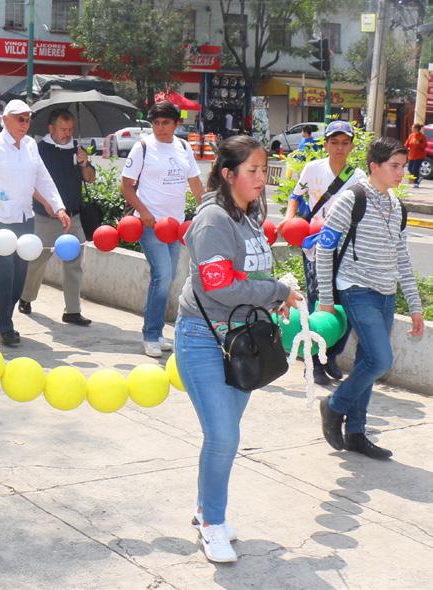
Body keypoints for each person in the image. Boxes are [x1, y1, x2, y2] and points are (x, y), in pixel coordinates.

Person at [176, 135, 302, 563]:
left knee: (224, 437)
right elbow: (220, 286)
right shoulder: (214, 220)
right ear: (228, 174)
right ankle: (213, 523)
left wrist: (273, 297)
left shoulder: (249, 214)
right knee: (224, 435)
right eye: (253, 170)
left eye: (264, 170)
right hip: (203, 339)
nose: (261, 178)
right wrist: (276, 290)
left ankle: (204, 510)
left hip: (243, 341)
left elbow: (251, 273)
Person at [316, 137, 424, 460]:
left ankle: (356, 432)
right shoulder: (352, 198)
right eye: (395, 166)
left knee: (368, 360)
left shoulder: (397, 207)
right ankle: (334, 405)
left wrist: (415, 306)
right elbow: (324, 247)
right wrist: (325, 299)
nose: (401, 173)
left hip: (386, 295)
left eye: (404, 166)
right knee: (380, 360)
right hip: (356, 289)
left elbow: (403, 259)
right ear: (374, 166)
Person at [0, 99, 71, 346]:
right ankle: (5, 325)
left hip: (24, 219)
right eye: (20, 119)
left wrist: (58, 207)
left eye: (28, 119)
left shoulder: (31, 146)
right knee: (5, 274)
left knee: (19, 277)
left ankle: (1, 318)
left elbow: (43, 178)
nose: (25, 124)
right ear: (5, 120)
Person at [280, 120, 366, 385]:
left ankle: (331, 355)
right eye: (334, 142)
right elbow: (296, 196)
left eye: (345, 143)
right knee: (318, 303)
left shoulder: (358, 177)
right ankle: (314, 362)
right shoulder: (313, 168)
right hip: (315, 249)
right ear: (326, 144)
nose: (339, 148)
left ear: (351, 146)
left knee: (345, 306)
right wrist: (290, 219)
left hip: (344, 250)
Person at [120, 100, 206, 357]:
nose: (160, 128)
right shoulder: (142, 147)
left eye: (165, 122)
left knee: (167, 279)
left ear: (176, 123)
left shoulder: (183, 147)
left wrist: (207, 211)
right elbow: (126, 186)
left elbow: (195, 184)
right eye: (156, 123)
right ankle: (150, 335)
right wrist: (144, 212)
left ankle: (157, 334)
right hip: (150, 225)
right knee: (163, 276)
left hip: (176, 227)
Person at [19, 108, 96, 326]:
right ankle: (26, 296)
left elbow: (90, 179)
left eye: (70, 129)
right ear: (51, 128)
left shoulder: (77, 149)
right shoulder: (39, 149)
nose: (67, 133)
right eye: (63, 129)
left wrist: (84, 163)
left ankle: (72, 310)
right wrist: (47, 204)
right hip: (47, 217)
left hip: (73, 217)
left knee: (74, 264)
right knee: (38, 259)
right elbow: (30, 182)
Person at [404, 123, 426, 188]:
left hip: (419, 156)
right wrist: (404, 147)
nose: (411, 128)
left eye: (413, 127)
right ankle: (419, 178)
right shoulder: (411, 135)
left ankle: (416, 183)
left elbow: (425, 145)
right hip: (411, 155)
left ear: (416, 129)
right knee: (409, 169)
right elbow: (407, 143)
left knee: (415, 169)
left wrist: (419, 143)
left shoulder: (422, 136)